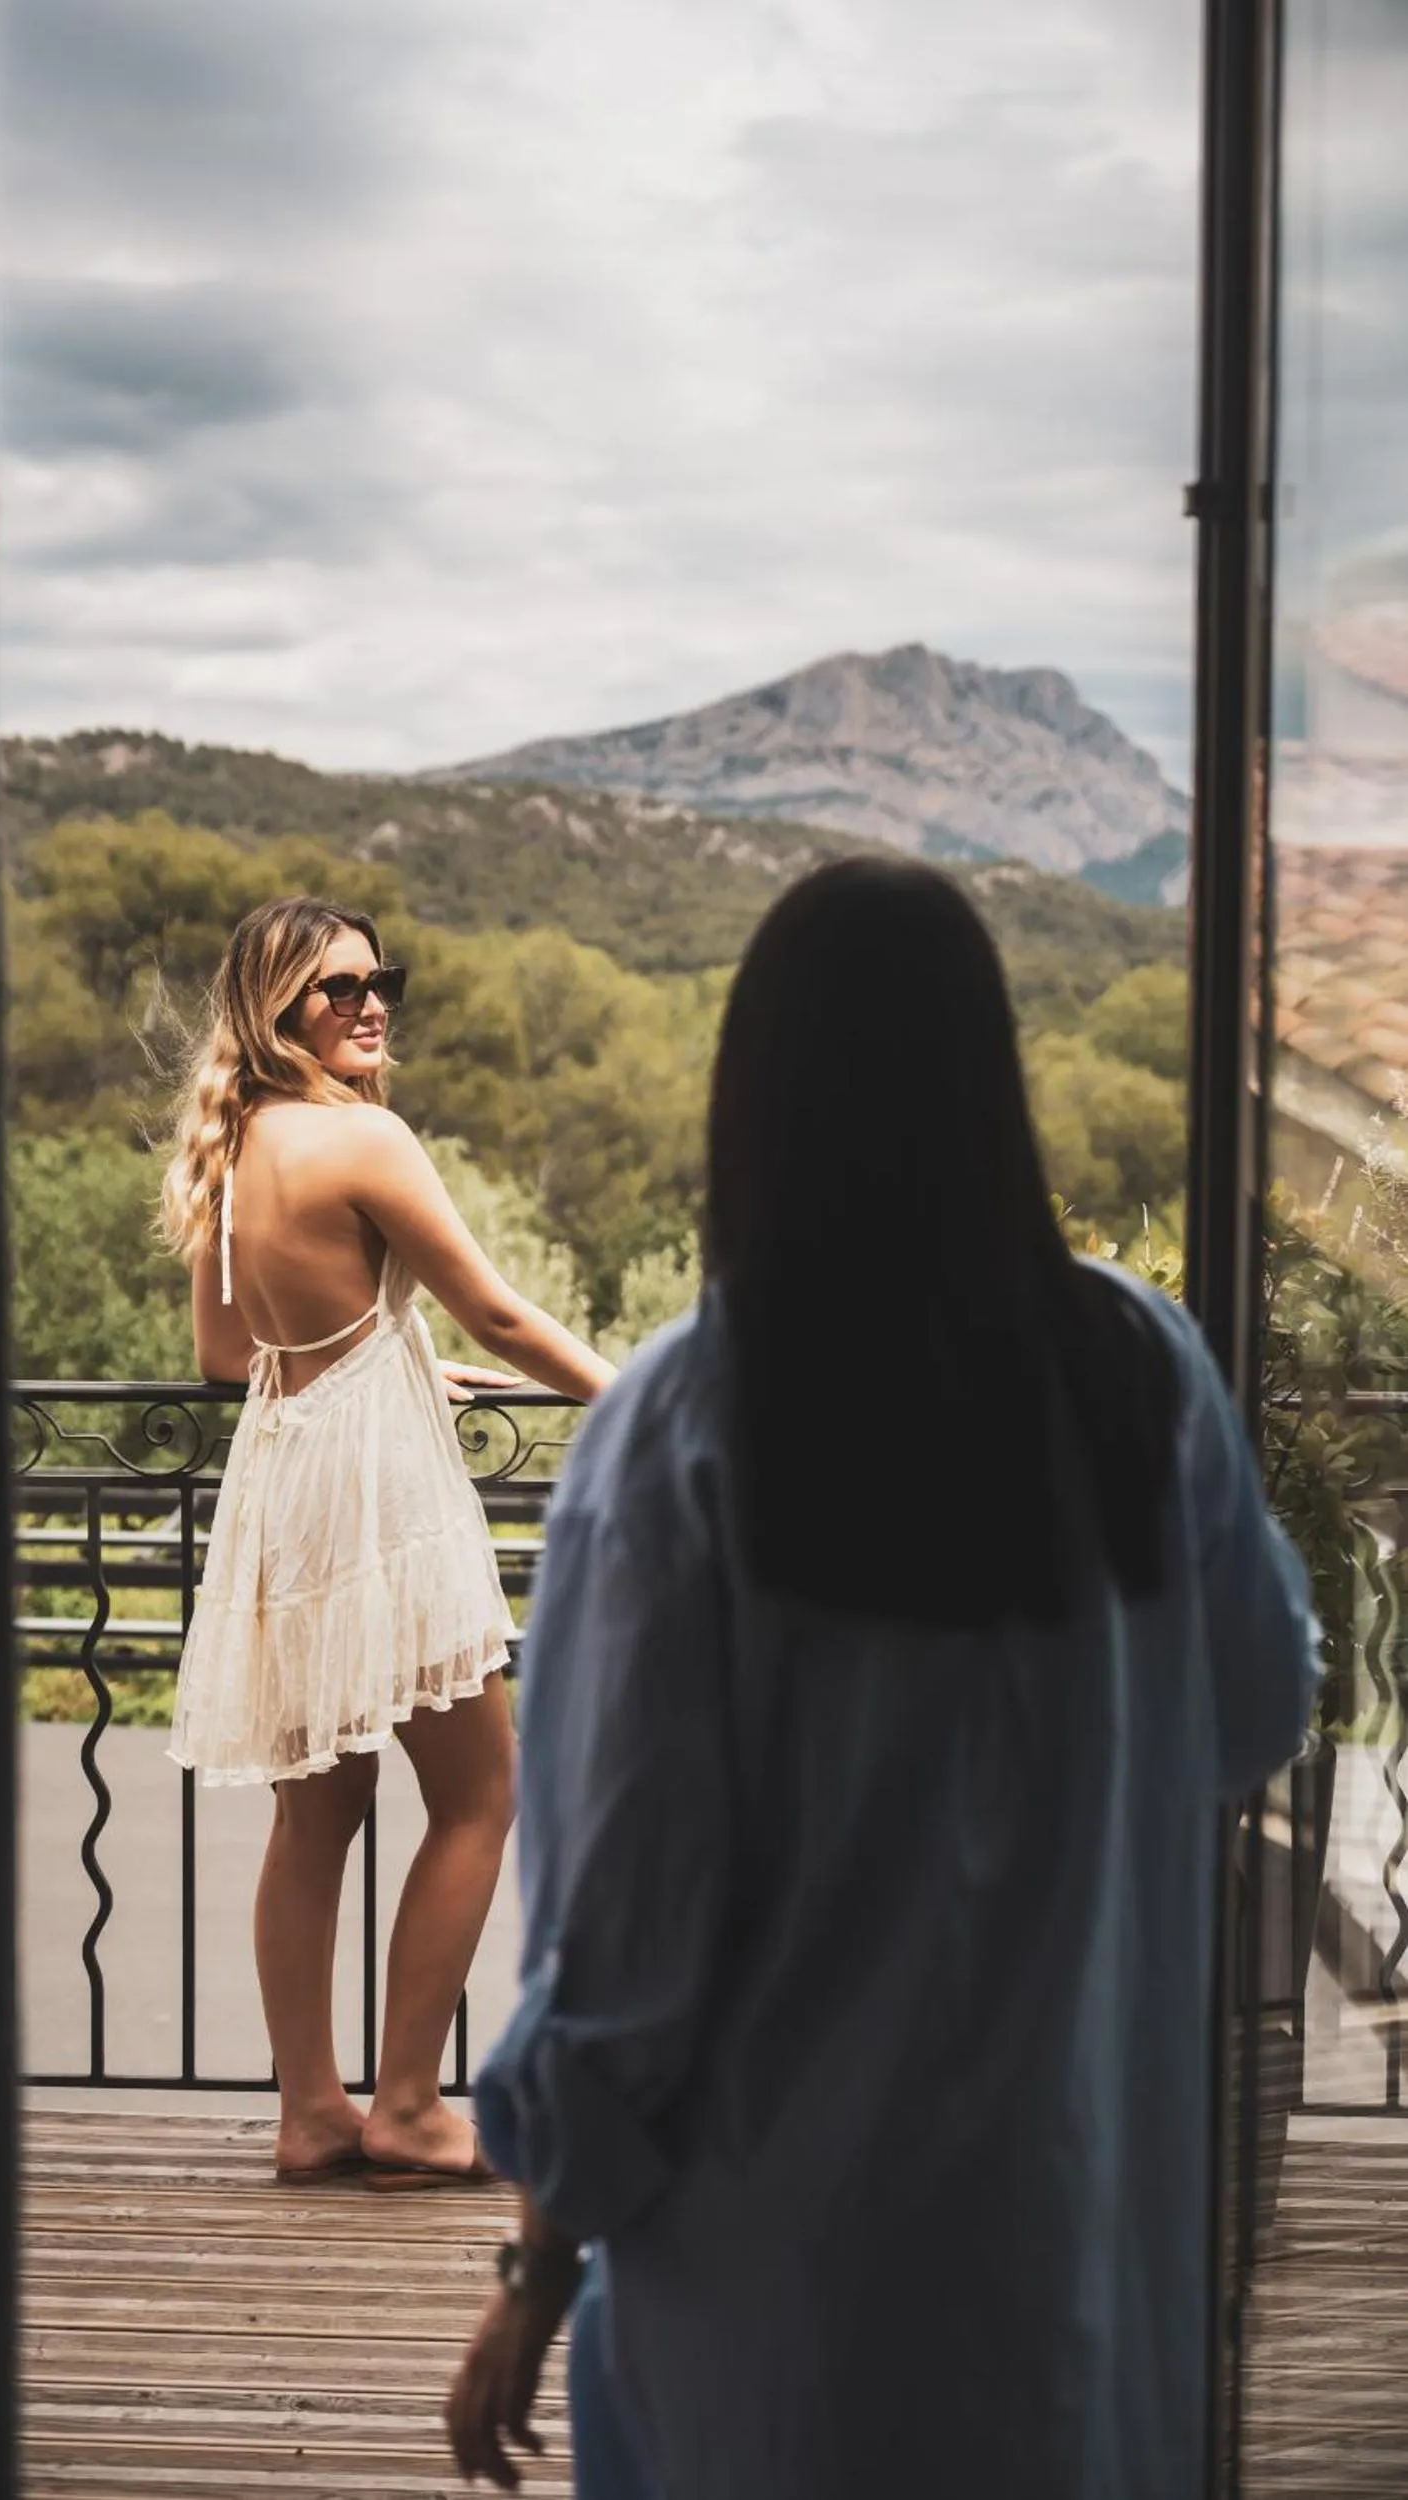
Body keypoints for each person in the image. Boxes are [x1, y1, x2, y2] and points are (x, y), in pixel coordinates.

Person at [444, 855, 1322, 2496]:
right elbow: (1259, 1701)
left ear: (750, 1103)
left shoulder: (688, 1432)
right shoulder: (1138, 1380)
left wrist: (537, 2269)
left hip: (781, 2329)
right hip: (1073, 2288)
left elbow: (624, 1941)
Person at [157, 894, 615, 2186]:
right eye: (334, 989)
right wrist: (646, 1404)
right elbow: (504, 1313)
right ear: (276, 1010)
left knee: (321, 1819)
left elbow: (223, 1353)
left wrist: (390, 1352)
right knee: (480, 1793)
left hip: (287, 1479)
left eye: (380, 982)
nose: (369, 1006)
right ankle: (408, 2106)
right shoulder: (366, 1140)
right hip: (377, 1494)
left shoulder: (235, 1140)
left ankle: (313, 2114)